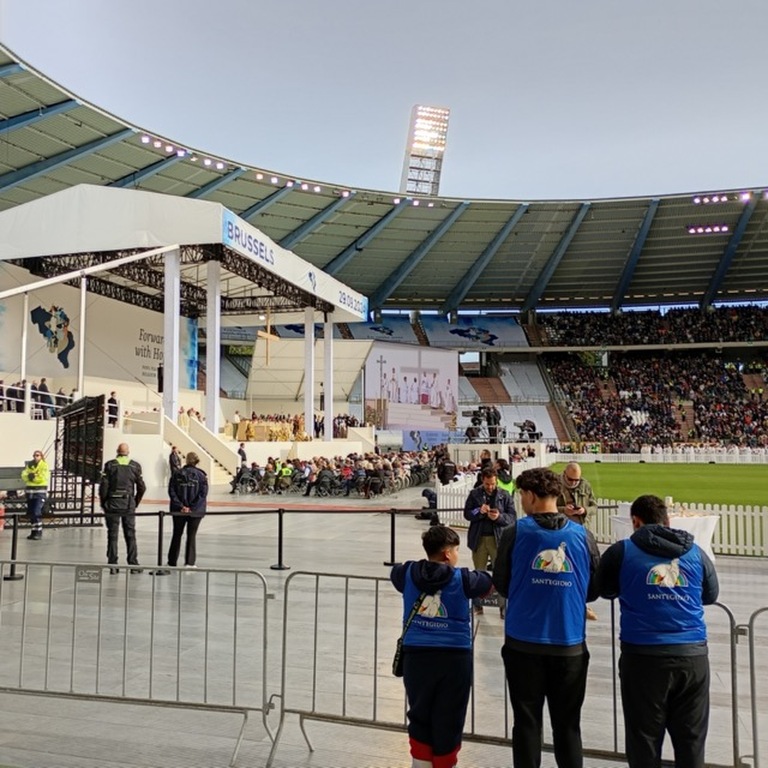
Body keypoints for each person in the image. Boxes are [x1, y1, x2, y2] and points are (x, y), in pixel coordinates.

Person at [596, 494, 719, 768]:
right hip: (692, 654)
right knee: (691, 742)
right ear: (667, 520)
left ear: (635, 522)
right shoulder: (695, 552)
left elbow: (603, 589)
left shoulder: (622, 551)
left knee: (644, 741)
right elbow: (710, 594)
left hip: (643, 655)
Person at [492, 467, 599, 768]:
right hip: (569, 643)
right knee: (568, 726)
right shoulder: (583, 536)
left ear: (530, 496)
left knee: (526, 723)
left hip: (523, 642)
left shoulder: (515, 533)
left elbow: (501, 582)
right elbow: (592, 589)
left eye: (521, 495)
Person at [390, 525, 492, 768]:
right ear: (447, 554)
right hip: (454, 658)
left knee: (419, 713)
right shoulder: (464, 579)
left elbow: (395, 574)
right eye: (456, 550)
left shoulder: (406, 573)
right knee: (450, 717)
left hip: (417, 655)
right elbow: (488, 583)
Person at [463, 466, 515, 616]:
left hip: (497, 539)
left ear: (496, 481)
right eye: (487, 484)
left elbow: (512, 517)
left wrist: (499, 517)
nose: (490, 487)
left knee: (501, 573)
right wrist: (478, 512)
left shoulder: (505, 495)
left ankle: (503, 607)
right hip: (479, 539)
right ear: (482, 481)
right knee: (479, 573)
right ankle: (478, 605)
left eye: (493, 484)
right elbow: (467, 514)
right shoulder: (474, 494)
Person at [557, 461, 600, 620]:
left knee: (582, 569)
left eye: (577, 480)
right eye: (571, 479)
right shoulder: (555, 484)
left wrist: (585, 510)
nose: (574, 483)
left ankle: (582, 604)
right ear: (565, 474)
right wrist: (563, 510)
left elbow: (594, 506)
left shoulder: (585, 485)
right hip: (561, 533)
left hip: (581, 534)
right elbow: (548, 506)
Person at [99, 443, 146, 573]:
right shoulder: (135, 466)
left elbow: (104, 486)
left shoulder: (110, 465)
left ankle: (113, 565)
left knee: (112, 535)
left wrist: (104, 503)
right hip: (128, 504)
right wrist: (135, 502)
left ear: (117, 451)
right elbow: (142, 487)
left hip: (112, 504)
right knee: (130, 534)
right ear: (128, 452)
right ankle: (133, 565)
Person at [167, 451, 209, 568]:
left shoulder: (176, 474)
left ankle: (172, 561)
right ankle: (190, 562)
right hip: (195, 512)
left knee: (176, 534)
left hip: (178, 510)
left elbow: (172, 491)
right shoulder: (201, 476)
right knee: (191, 535)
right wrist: (192, 507)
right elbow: (203, 494)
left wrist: (181, 506)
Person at [21, 449, 49, 540]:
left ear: (41, 456)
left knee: (37, 511)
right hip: (30, 492)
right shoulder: (30, 465)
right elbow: (24, 475)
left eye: (37, 455)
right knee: (31, 512)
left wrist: (33, 478)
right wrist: (29, 476)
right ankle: (33, 531)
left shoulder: (44, 466)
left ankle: (39, 531)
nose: (35, 457)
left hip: (39, 492)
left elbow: (43, 477)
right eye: (34, 455)